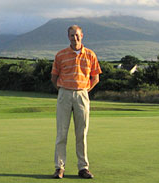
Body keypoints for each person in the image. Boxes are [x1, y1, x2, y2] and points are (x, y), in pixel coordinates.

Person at [51, 25, 102, 179]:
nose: (75, 38)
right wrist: (63, 90)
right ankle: (59, 167)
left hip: (82, 94)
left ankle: (83, 168)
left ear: (82, 35)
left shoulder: (91, 55)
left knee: (81, 134)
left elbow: (96, 77)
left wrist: (85, 90)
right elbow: (54, 77)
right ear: (68, 37)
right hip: (64, 94)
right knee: (62, 134)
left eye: (77, 35)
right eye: (72, 35)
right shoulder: (60, 55)